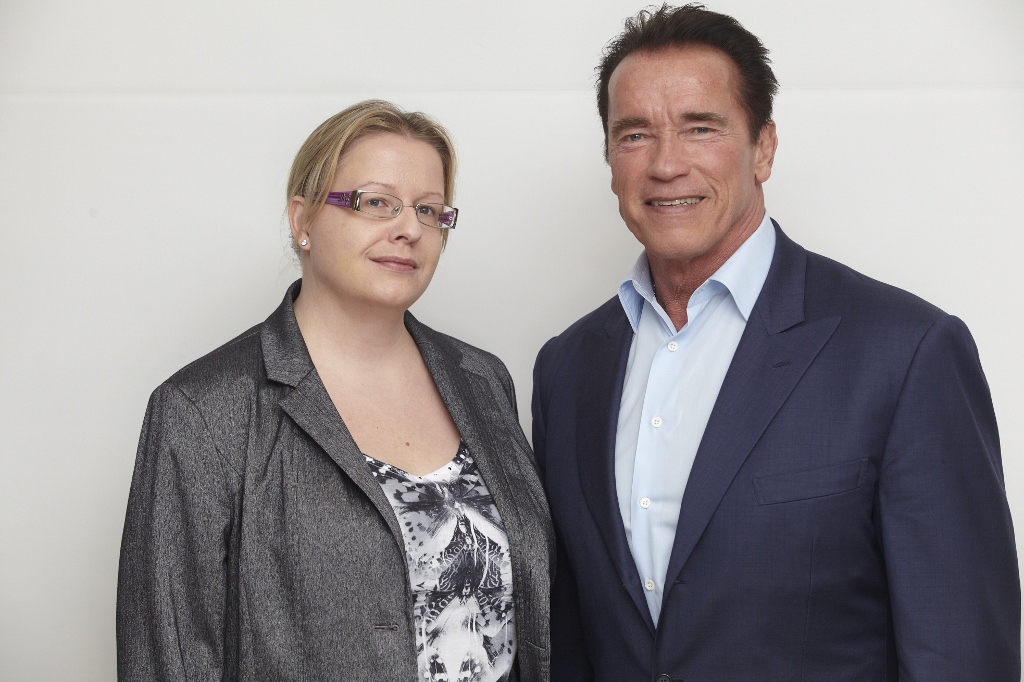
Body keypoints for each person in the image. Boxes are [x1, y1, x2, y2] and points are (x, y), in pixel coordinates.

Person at [531, 4, 1019, 680]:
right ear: (611, 159)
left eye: (700, 128)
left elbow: (961, 652)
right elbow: (572, 636)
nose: (665, 164)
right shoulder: (568, 367)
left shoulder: (905, 352)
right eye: (635, 134)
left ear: (763, 149)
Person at [117, 100, 553, 682]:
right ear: (302, 220)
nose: (409, 228)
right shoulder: (202, 410)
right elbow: (167, 656)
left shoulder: (482, 380)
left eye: (428, 210)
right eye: (376, 202)